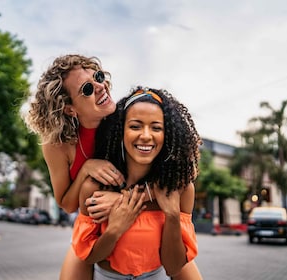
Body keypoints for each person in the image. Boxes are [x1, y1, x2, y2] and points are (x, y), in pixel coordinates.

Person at [72, 86, 203, 279]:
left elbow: (174, 268)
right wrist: (115, 228)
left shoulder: (180, 189)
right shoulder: (95, 187)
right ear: (120, 131)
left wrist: (172, 215)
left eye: (156, 128)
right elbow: (89, 257)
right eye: (135, 126)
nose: (146, 135)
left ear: (166, 135)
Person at [23, 54, 126, 279]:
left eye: (98, 77)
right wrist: (86, 169)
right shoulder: (57, 145)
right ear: (69, 108)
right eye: (87, 89)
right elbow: (66, 204)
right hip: (90, 227)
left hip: (135, 218)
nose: (100, 86)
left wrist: (121, 201)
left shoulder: (129, 121)